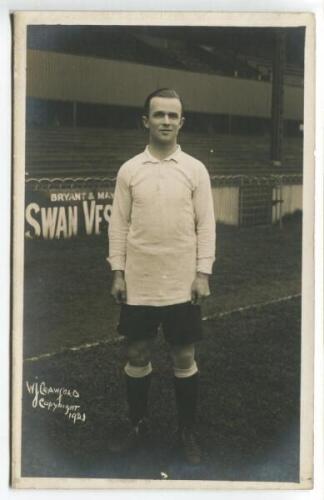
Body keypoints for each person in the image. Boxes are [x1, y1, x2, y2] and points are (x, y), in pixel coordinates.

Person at [107, 88, 216, 465]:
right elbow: (118, 227)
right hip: (139, 282)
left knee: (183, 355)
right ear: (146, 121)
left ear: (181, 122)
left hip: (181, 283)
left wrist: (203, 273)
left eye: (173, 116)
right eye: (159, 115)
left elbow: (207, 225)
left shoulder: (195, 169)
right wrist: (118, 273)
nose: (166, 121)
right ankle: (137, 425)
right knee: (137, 352)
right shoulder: (129, 170)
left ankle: (187, 430)